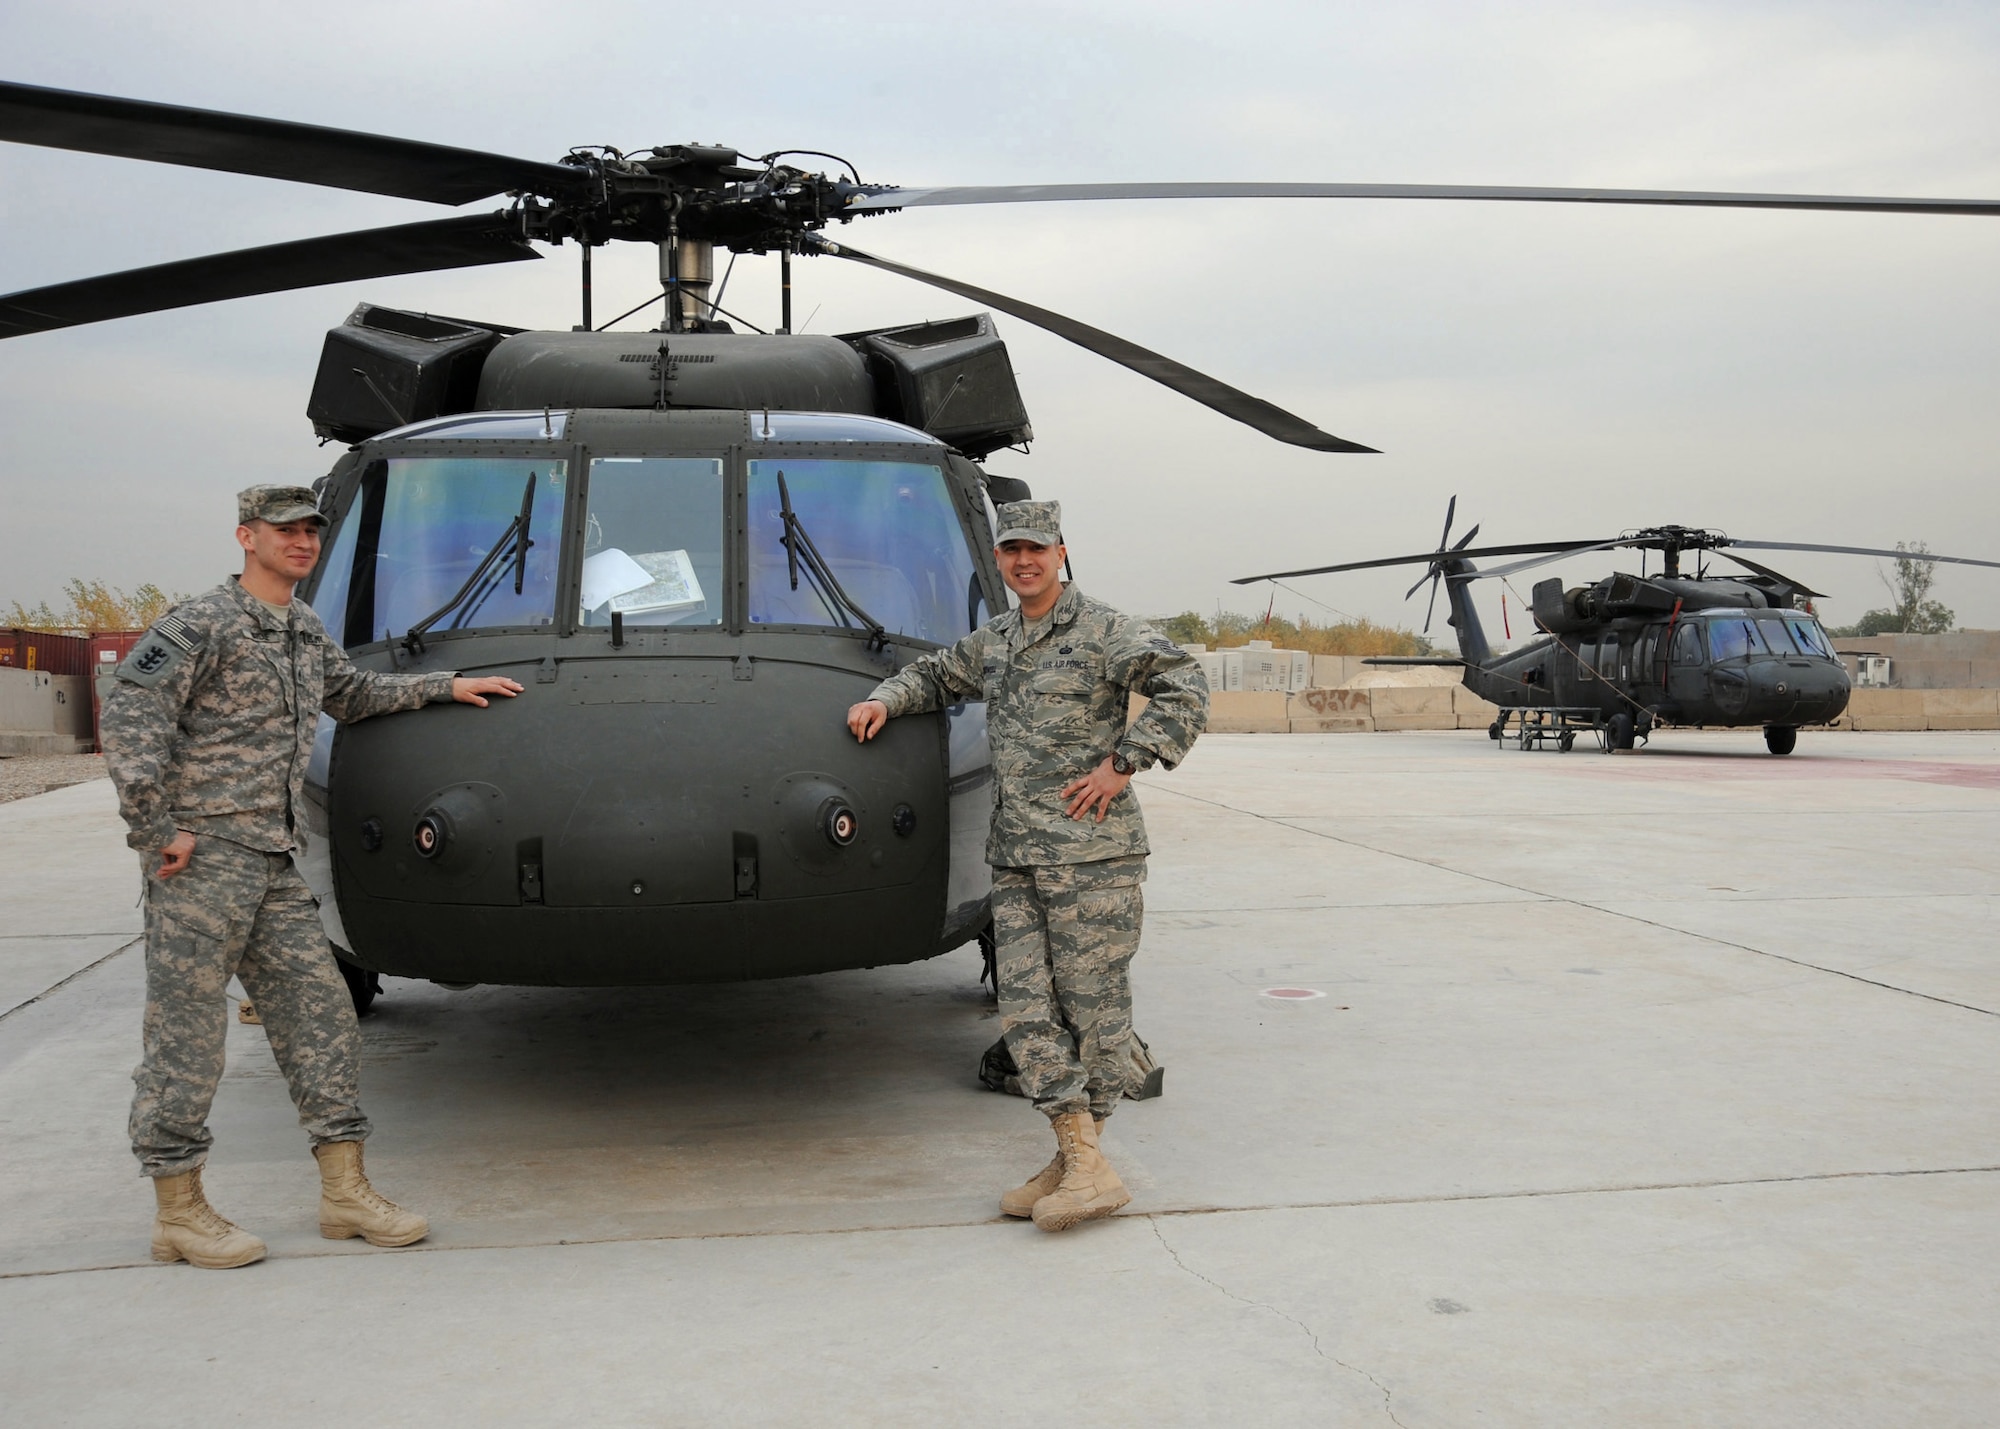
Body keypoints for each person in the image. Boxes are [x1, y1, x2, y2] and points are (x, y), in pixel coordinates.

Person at [100, 484, 525, 1269]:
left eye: (310, 531)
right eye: (285, 530)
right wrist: (156, 830)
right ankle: (178, 1212)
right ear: (246, 536)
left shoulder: (301, 627)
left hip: (273, 860)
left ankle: (344, 1192)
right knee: (186, 1041)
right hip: (202, 865)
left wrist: (445, 686)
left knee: (323, 1020)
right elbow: (129, 716)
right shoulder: (202, 623)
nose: (301, 542)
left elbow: (352, 694)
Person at [846, 500, 1207, 1231]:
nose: (1024, 561)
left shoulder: (1104, 630)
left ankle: (1086, 1161)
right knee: (1026, 1009)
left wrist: (1124, 764)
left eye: (1036, 549)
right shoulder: (998, 640)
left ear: (1060, 553)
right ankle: (1077, 1156)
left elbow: (1187, 684)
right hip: (1016, 857)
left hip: (1092, 858)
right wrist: (885, 698)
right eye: (1011, 549)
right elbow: (938, 674)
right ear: (1001, 558)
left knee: (1093, 1013)